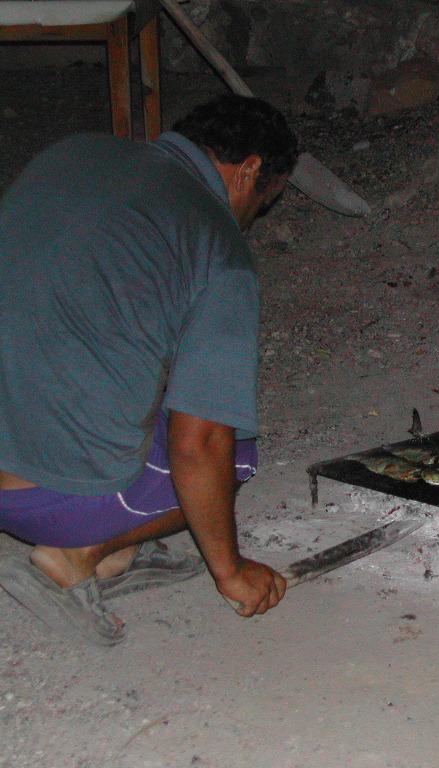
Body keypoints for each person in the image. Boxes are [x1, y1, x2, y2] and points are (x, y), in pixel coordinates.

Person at [0, 94, 298, 646]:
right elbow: (200, 442)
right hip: (31, 498)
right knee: (234, 449)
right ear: (250, 170)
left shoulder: (76, 152)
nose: (255, 217)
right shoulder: (216, 243)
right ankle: (80, 551)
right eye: (266, 200)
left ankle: (126, 547)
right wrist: (230, 571)